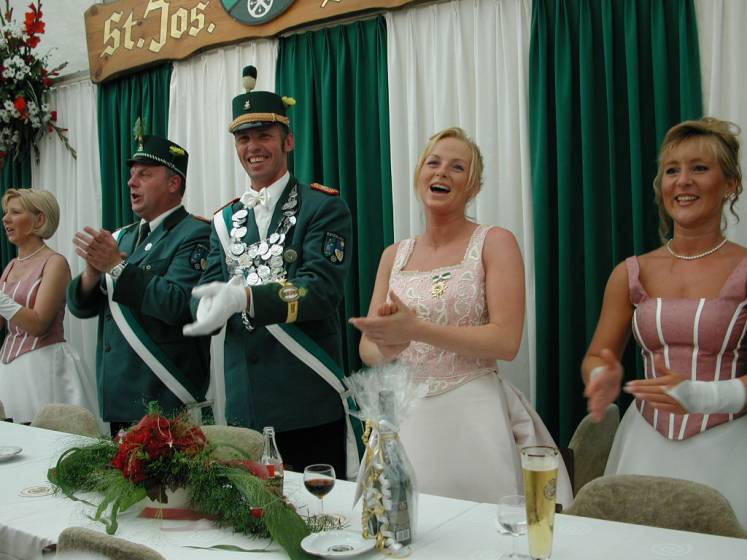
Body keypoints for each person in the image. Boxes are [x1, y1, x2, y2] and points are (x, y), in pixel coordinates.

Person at [350, 127, 571, 504]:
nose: (442, 172)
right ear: (419, 173)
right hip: (408, 416)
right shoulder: (394, 255)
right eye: (433, 163)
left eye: (457, 167)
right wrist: (389, 344)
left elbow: (506, 341)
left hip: (474, 409)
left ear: (474, 186)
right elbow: (367, 350)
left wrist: (417, 329)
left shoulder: (495, 242)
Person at [182, 66, 358, 479]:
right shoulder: (224, 220)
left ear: (287, 141)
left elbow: (321, 291)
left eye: (263, 135)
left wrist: (245, 298)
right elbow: (208, 291)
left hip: (306, 399)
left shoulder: (322, 207)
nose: (253, 147)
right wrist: (205, 310)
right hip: (245, 404)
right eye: (243, 139)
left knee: (317, 510)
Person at [582, 117, 747, 525]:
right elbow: (598, 354)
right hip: (644, 443)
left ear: (730, 184)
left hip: (730, 449)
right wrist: (601, 374)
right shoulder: (630, 272)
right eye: (672, 170)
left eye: (699, 168)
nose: (683, 181)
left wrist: (706, 396)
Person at [67, 134, 211, 433]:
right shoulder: (122, 237)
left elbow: (179, 305)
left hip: (165, 395)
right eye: (132, 175)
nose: (131, 182)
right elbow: (81, 308)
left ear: (173, 183)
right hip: (120, 395)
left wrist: (116, 267)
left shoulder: (195, 234)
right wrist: (92, 274)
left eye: (144, 174)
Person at [0, 188, 98, 423]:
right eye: (5, 212)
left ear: (39, 219)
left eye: (15, 212)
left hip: (45, 368)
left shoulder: (55, 263)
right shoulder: (11, 266)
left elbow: (39, 324)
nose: (6, 219)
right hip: (9, 371)